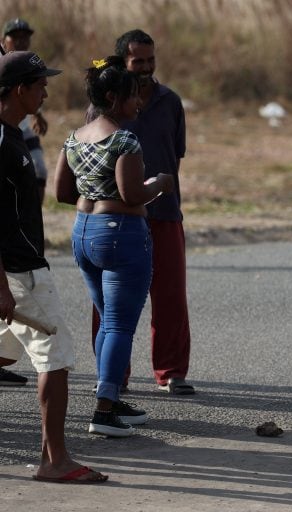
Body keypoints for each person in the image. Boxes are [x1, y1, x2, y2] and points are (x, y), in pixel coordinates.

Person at [0, 50, 108, 483]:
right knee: (55, 361)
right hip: (19, 272)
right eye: (40, 83)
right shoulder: (3, 143)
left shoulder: (14, 136)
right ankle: (54, 460)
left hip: (20, 269)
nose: (46, 90)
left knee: (4, 356)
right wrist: (3, 287)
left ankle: (54, 457)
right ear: (19, 89)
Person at [54, 56, 175, 437]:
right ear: (112, 97)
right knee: (120, 324)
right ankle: (104, 410)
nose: (138, 103)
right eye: (132, 97)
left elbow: (60, 192)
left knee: (108, 320)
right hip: (121, 233)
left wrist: (92, 190)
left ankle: (111, 396)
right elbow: (132, 192)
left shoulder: (73, 138)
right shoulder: (124, 139)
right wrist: (160, 183)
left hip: (83, 231)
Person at [89, 29, 193, 395]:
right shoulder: (103, 107)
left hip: (164, 215)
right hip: (116, 220)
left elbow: (174, 157)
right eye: (138, 62)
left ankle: (171, 372)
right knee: (111, 303)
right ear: (122, 62)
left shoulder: (171, 102)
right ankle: (114, 377)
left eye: (151, 60)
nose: (146, 68)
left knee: (170, 297)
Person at [2, 18, 50, 205]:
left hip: (21, 126)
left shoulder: (28, 61)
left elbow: (31, 91)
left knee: (39, 169)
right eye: (15, 37)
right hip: (6, 128)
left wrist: (37, 114)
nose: (21, 42)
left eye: (25, 37)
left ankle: (33, 224)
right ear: (3, 39)